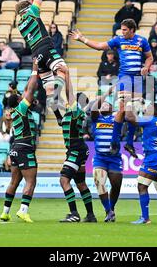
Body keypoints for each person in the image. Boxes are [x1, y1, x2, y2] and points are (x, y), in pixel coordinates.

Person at [70, 18, 153, 158]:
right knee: (122, 109)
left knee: (132, 112)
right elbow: (99, 46)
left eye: (125, 30)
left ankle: (129, 143)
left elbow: (150, 57)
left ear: (132, 30)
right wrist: (82, 39)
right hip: (125, 77)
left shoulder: (142, 41)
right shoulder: (118, 40)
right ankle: (115, 142)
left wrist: (146, 66)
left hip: (138, 79)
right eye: (122, 29)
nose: (122, 32)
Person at [16, 0, 68, 117]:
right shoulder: (32, 13)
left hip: (37, 56)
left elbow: (30, 4)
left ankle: (58, 117)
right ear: (28, 8)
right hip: (46, 48)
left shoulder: (20, 24)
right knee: (64, 71)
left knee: (48, 88)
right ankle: (65, 99)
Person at [53, 67, 97, 223]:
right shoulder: (71, 115)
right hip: (78, 148)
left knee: (63, 180)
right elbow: (55, 102)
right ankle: (90, 215)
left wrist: (67, 75)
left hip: (75, 149)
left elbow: (68, 93)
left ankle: (74, 213)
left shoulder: (75, 112)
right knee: (80, 182)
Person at [0, 58, 40, 223]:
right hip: (25, 147)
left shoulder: (15, 111)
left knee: (14, 181)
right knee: (31, 180)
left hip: (15, 147)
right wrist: (35, 67)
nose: (23, 97)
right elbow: (31, 87)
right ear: (18, 101)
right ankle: (23, 210)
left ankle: (5, 212)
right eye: (20, 97)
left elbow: (26, 90)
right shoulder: (21, 108)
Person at [90, 87, 123, 222]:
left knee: (116, 185)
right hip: (100, 157)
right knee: (99, 182)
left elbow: (122, 112)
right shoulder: (96, 119)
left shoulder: (115, 119)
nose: (104, 104)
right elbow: (93, 108)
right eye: (102, 104)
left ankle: (112, 209)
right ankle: (108, 211)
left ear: (111, 108)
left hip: (114, 158)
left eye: (107, 104)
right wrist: (106, 94)